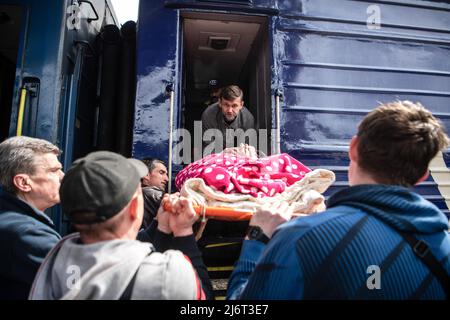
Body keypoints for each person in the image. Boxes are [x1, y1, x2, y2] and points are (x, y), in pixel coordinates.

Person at [227, 101, 450, 300]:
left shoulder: (301, 237)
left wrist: (257, 237)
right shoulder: (445, 247)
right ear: (423, 174)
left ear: (353, 148)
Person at [29, 151, 211, 300]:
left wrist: (161, 227)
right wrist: (184, 232)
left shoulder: (54, 259)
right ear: (134, 208)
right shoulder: (167, 277)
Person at [0, 136, 63, 299]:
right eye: (54, 171)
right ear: (23, 183)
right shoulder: (27, 234)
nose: (62, 176)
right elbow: (83, 283)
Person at [201, 85, 255, 152]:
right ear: (220, 103)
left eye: (234, 106)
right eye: (226, 105)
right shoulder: (209, 115)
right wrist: (224, 153)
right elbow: (207, 148)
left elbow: (246, 149)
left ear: (241, 105)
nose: (230, 110)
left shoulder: (247, 118)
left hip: (237, 155)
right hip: (215, 156)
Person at [140, 158, 168, 229]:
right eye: (161, 173)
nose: (166, 179)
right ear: (146, 175)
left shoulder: (138, 192)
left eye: (166, 174)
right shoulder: (151, 193)